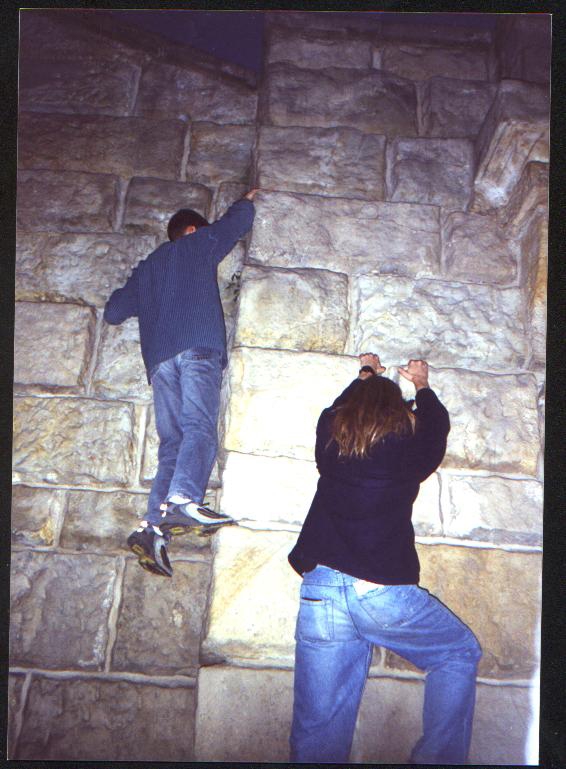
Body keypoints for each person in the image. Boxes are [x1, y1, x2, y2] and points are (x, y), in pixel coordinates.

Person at [288, 353, 482, 764]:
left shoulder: (331, 444)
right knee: (457, 652)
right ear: (399, 413)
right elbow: (435, 428)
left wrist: (365, 377)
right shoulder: (408, 451)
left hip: (321, 589)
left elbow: (332, 412)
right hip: (379, 591)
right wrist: (422, 387)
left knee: (319, 727)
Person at [104, 190, 258, 577]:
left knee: (173, 443)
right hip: (197, 350)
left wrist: (142, 285)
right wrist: (246, 200)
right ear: (192, 230)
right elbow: (236, 224)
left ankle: (152, 528)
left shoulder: (148, 268)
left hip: (160, 364)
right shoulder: (196, 244)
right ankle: (184, 500)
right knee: (198, 427)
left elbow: (114, 311)